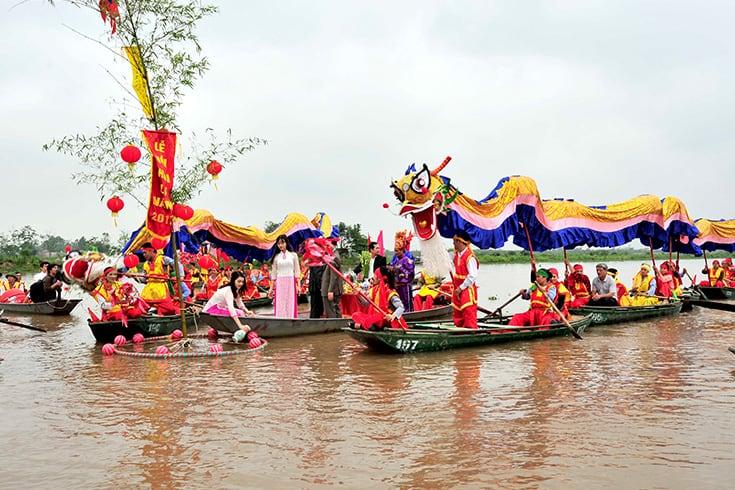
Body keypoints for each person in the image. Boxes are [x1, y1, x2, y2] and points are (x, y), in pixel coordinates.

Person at [139, 243, 180, 316]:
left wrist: (180, 276)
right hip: (149, 290)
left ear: (151, 251)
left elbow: (178, 265)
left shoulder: (163, 259)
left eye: (145, 253)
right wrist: (135, 278)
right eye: (143, 253)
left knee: (170, 309)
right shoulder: (145, 264)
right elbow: (143, 280)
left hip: (161, 289)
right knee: (140, 308)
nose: (144, 255)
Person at [451, 230, 479, 328]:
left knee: (468, 310)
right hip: (457, 287)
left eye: (454, 241)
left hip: (467, 288)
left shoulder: (470, 257)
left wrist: (460, 288)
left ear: (459, 241)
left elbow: (472, 276)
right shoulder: (456, 256)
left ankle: (471, 330)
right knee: (457, 310)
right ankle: (459, 329)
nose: (453, 243)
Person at [269, 234, 300, 318]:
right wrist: (271, 289)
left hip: (290, 281)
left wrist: (299, 286)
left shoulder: (293, 255)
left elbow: (297, 272)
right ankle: (280, 319)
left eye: (282, 243)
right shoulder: (276, 257)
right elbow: (274, 274)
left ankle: (291, 318)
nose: (280, 245)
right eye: (278, 244)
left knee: (290, 300)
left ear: (286, 243)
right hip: (280, 282)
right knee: (280, 301)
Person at [391, 231, 415, 313]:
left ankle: (409, 315)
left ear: (402, 250)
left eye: (397, 250)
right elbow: (392, 267)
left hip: (405, 285)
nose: (395, 252)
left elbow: (411, 272)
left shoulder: (407, 259)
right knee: (399, 303)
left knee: (407, 303)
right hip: (397, 285)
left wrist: (403, 274)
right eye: (395, 250)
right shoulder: (395, 259)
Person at [321, 243, 344, 318]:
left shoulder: (334, 257)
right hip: (329, 288)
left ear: (333, 245)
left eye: (328, 245)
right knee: (334, 310)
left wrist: (330, 290)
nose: (326, 247)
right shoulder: (330, 256)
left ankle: (334, 327)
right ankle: (337, 326)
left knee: (331, 311)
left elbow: (334, 276)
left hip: (331, 289)